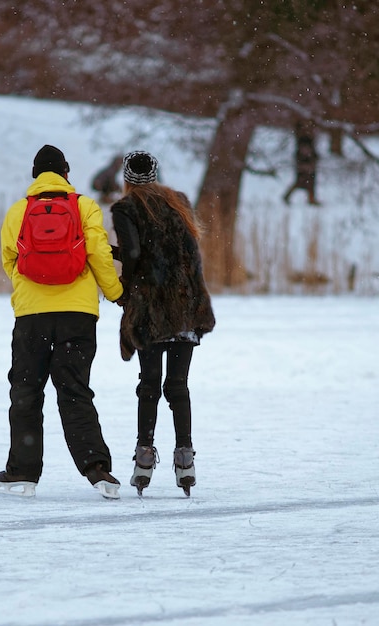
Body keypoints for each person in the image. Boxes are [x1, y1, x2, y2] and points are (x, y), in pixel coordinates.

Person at [0, 144, 125, 499]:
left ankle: (22, 474)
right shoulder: (84, 206)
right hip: (78, 314)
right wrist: (115, 292)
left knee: (26, 391)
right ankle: (98, 470)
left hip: (31, 315)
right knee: (74, 389)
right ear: (66, 173)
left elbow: (10, 260)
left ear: (35, 174)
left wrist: (29, 288)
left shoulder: (18, 211)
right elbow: (97, 251)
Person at [110, 151, 216, 496]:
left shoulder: (126, 209)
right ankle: (185, 459)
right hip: (186, 305)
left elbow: (134, 256)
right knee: (178, 386)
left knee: (149, 385)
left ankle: (144, 456)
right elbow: (192, 255)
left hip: (152, 308)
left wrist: (111, 256)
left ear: (126, 179)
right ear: (156, 174)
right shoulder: (179, 201)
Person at [282, 120, 321, 206]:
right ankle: (310, 199)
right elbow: (305, 151)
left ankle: (311, 198)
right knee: (302, 181)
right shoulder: (304, 139)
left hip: (306, 162)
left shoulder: (305, 138)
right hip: (304, 162)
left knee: (308, 181)